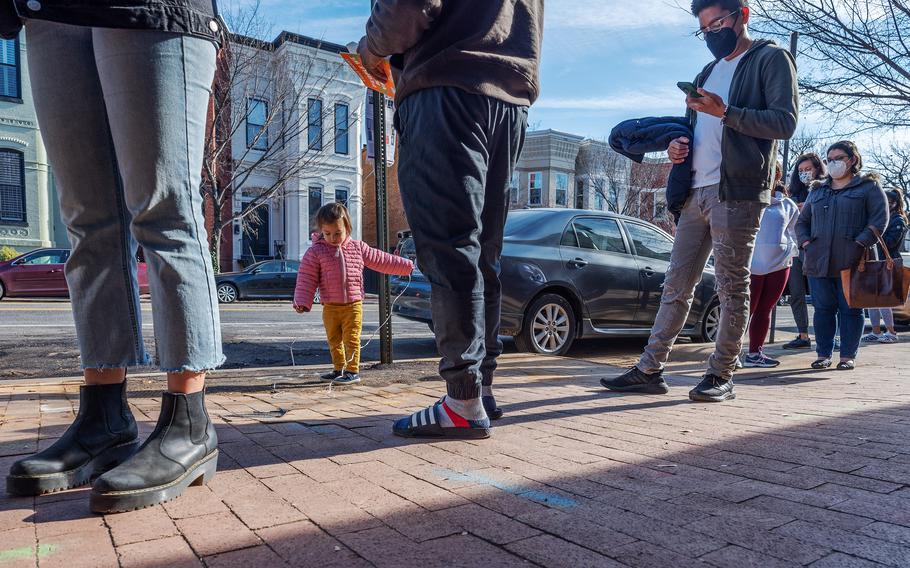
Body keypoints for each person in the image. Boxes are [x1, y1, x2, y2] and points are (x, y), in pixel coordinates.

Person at [2, 0, 224, 512]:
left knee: (165, 211)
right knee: (87, 223)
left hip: (151, 10)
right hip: (52, 13)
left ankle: (189, 420)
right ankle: (104, 417)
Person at [357, 0, 543, 439]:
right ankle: (482, 389)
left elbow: (408, 9)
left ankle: (462, 399)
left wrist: (371, 50)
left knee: (450, 246)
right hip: (510, 95)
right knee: (483, 252)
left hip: (445, 84)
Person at [600, 0, 798, 402]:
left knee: (731, 288)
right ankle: (650, 369)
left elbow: (785, 122)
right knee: (676, 285)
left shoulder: (771, 58)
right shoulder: (706, 72)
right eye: (703, 29)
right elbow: (696, 129)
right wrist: (677, 147)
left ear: (742, 15)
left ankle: (721, 374)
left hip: (737, 191)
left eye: (717, 23)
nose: (711, 33)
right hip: (695, 191)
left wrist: (726, 112)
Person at [293, 203, 414, 384]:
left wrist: (407, 266)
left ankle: (352, 371)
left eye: (337, 233)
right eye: (327, 234)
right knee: (334, 339)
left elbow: (381, 259)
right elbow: (306, 278)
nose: (332, 238)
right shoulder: (316, 252)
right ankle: (338, 368)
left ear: (347, 228)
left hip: (353, 304)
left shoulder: (358, 248)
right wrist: (302, 301)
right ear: (321, 231)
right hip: (330, 305)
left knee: (351, 339)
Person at [796, 141, 889, 371]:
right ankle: (823, 354)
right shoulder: (817, 190)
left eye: (838, 158)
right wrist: (806, 242)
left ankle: (847, 355)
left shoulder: (869, 187)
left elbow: (879, 220)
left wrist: (860, 243)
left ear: (852, 159)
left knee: (851, 309)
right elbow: (802, 222)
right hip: (819, 261)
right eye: (829, 159)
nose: (832, 163)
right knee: (823, 308)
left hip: (854, 261)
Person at [743, 162, 799, 367]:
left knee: (765, 309)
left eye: (770, 171)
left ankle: (755, 354)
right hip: (750, 264)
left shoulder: (788, 205)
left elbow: (792, 233)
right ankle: (728, 354)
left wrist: (789, 253)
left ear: (777, 174)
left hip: (779, 264)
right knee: (743, 310)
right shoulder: (746, 199)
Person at [782, 153, 826, 350]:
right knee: (796, 293)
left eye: (808, 169)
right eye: (800, 171)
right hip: (795, 249)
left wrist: (809, 210)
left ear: (817, 169)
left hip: (817, 249)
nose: (804, 174)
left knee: (821, 295)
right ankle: (803, 335)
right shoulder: (792, 194)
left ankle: (826, 336)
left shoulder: (825, 190)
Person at [861, 189, 908, 344]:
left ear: (894, 203)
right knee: (871, 300)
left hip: (888, 263)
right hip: (874, 262)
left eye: (888, 201)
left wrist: (875, 233)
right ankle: (876, 331)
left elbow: (890, 242)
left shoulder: (898, 220)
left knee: (883, 300)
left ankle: (892, 332)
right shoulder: (877, 218)